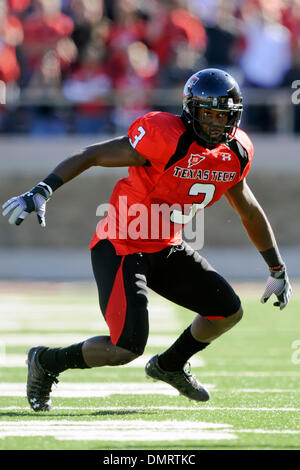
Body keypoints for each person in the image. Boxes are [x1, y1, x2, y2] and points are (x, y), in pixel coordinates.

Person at [2, 68, 292, 412]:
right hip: (122, 243)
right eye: (209, 114)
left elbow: (250, 211)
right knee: (125, 347)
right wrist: (43, 189)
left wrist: (276, 267)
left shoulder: (235, 153)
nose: (216, 124)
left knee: (227, 311)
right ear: (190, 111)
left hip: (166, 245)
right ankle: (47, 361)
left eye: (223, 116)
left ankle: (170, 364)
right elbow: (93, 154)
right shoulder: (164, 136)